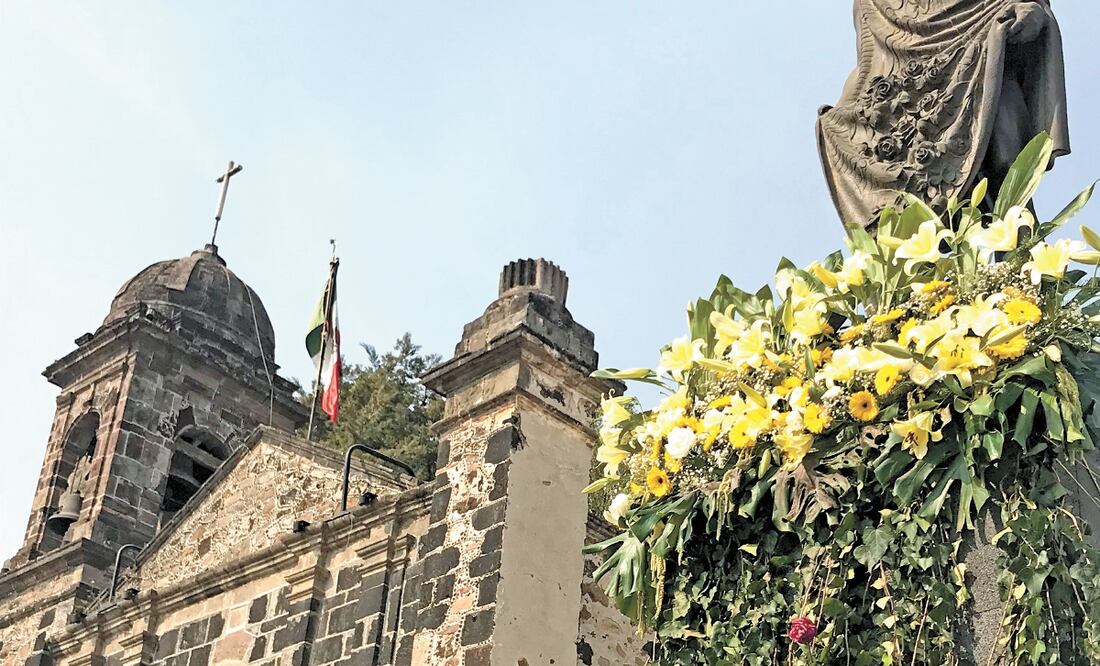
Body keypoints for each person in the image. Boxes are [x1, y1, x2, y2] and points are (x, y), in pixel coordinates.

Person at [817, 0, 1070, 229]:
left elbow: (1030, 6)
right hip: (913, 98)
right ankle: (922, 277)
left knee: (1008, 167)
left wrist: (1033, 10)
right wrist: (847, 115)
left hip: (986, 50)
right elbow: (871, 65)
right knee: (909, 218)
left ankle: (1024, 268)